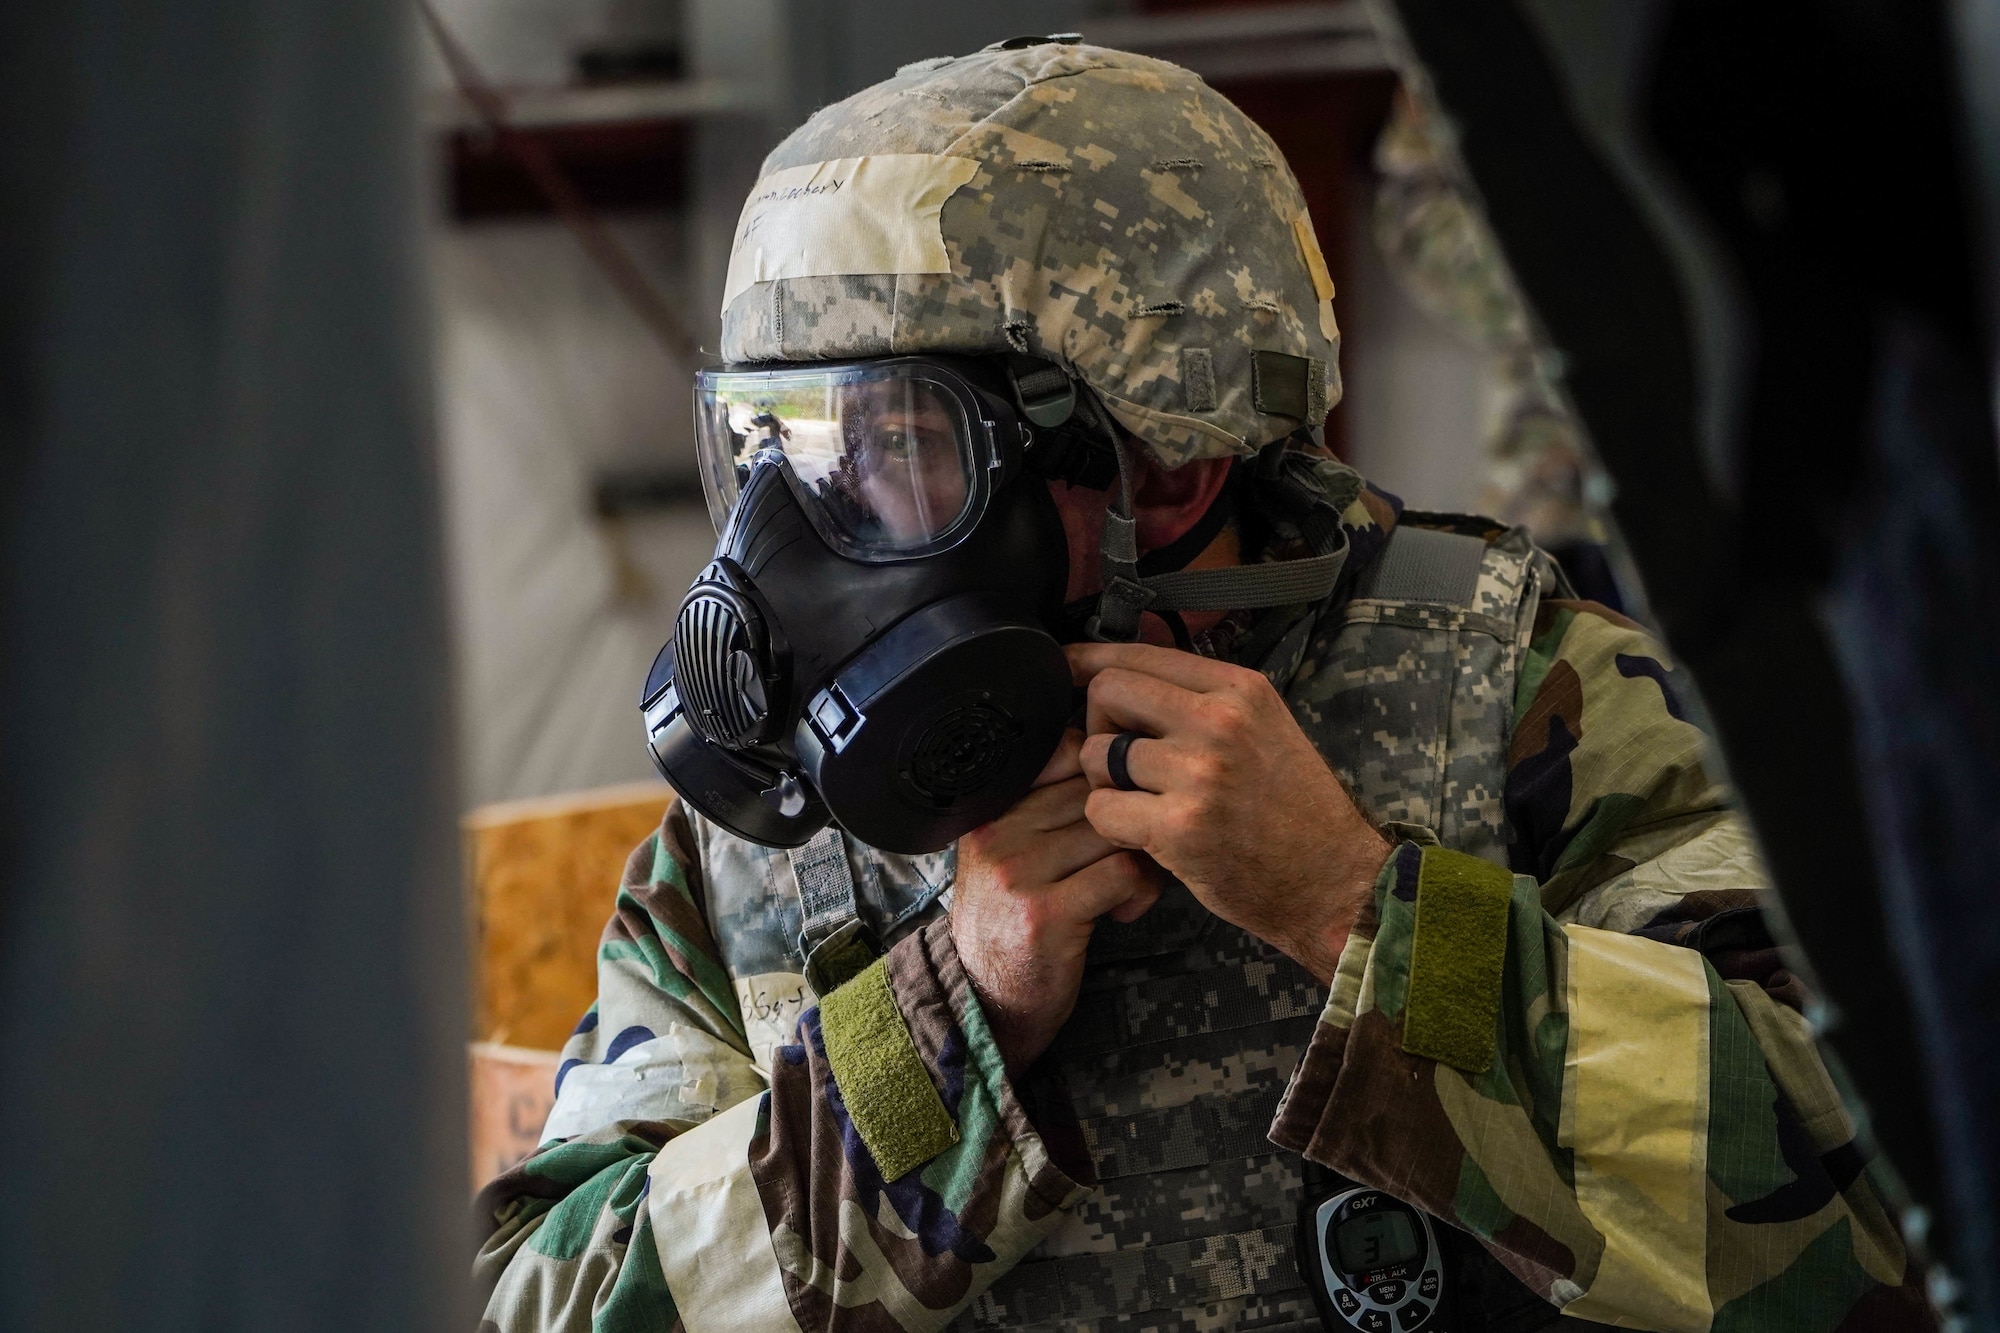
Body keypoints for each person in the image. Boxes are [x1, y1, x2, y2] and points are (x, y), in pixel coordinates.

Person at [473, 38, 1934, 1333]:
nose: (790, 550)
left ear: (1164, 468)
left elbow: (1876, 1240)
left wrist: (1365, 910)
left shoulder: (1520, 696)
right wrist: (946, 1017)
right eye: (777, 452)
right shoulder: (768, 840)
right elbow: (542, 1298)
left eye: (890, 447)